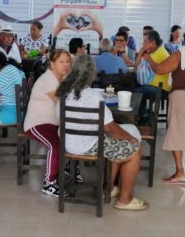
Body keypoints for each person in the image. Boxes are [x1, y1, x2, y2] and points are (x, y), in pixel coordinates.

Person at [56, 55, 148, 211]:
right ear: (92, 73)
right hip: (87, 145)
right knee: (134, 150)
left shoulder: (63, 92)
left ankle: (109, 188)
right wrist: (131, 138)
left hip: (68, 143)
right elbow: (110, 127)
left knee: (115, 142)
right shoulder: (93, 96)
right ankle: (124, 199)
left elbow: (59, 119)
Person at [142, 23, 185, 184]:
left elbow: (160, 69)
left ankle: (180, 171)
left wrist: (148, 59)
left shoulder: (181, 53)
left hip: (182, 96)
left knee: (177, 132)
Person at [23, 49, 71, 196]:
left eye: (67, 61)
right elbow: (63, 103)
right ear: (52, 64)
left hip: (53, 122)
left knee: (72, 137)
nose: (66, 65)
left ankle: (67, 167)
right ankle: (49, 183)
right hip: (37, 123)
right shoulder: (48, 80)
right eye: (61, 62)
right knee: (55, 145)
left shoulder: (61, 78)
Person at [134, 30, 171, 122]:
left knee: (137, 92)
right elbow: (137, 68)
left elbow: (137, 69)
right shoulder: (155, 52)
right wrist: (142, 52)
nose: (143, 44)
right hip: (155, 85)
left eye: (145, 42)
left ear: (153, 43)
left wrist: (142, 52)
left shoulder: (159, 53)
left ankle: (145, 114)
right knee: (133, 85)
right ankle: (144, 114)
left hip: (161, 89)